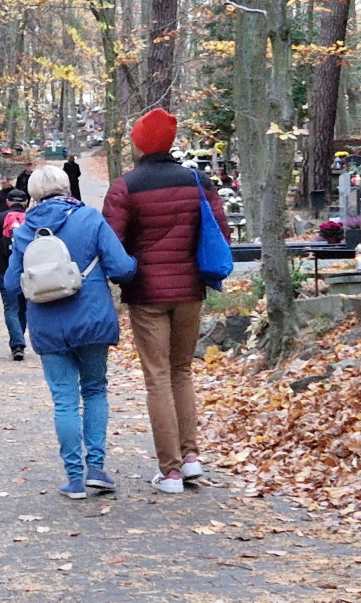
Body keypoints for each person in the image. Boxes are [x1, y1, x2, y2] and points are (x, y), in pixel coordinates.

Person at [102, 108, 230, 494]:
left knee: (157, 377)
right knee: (182, 372)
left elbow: (112, 243)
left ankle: (170, 471)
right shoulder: (199, 181)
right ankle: (191, 458)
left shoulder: (125, 186)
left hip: (147, 294)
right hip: (191, 290)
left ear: (139, 143)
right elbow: (219, 231)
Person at [4, 166, 136, 499]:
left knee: (64, 401)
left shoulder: (24, 231)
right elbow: (121, 268)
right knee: (94, 390)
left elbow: (10, 283)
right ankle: (97, 469)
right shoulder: (90, 219)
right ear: (66, 187)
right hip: (92, 318)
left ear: (33, 193)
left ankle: (74, 478)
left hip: (48, 325)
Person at [0, 188, 29, 360]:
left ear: (8, 202)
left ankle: (17, 343)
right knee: (23, 307)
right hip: (28, 270)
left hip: (5, 269)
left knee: (10, 307)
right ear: (26, 202)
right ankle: (18, 340)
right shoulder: (31, 220)